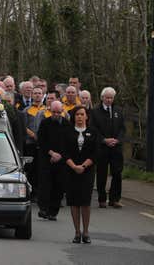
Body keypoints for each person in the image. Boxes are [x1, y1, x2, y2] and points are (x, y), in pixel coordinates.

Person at [63, 106, 98, 244]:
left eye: (82, 114)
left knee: (85, 201)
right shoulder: (68, 132)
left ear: (86, 116)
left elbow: (96, 152)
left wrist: (83, 166)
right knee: (74, 201)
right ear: (74, 117)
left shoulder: (93, 132)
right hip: (71, 170)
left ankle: (86, 232)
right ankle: (77, 232)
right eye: (77, 114)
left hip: (87, 171)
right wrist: (74, 166)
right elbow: (64, 151)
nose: (79, 117)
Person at [90, 87, 125, 208]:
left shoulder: (119, 111)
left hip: (116, 147)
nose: (109, 100)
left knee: (117, 173)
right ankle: (102, 199)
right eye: (107, 97)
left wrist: (117, 140)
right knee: (102, 174)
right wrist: (104, 140)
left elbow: (122, 128)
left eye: (111, 98)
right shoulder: (95, 112)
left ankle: (115, 199)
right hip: (102, 148)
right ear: (102, 98)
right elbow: (93, 129)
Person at [37, 100, 70, 220]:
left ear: (62, 111)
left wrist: (60, 155)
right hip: (47, 158)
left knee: (58, 185)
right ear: (50, 111)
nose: (56, 114)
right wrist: (51, 153)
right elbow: (41, 141)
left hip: (61, 160)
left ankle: (53, 211)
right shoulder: (45, 123)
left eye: (58, 112)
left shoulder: (67, 124)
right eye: (54, 112)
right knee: (45, 184)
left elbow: (69, 143)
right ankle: (43, 208)